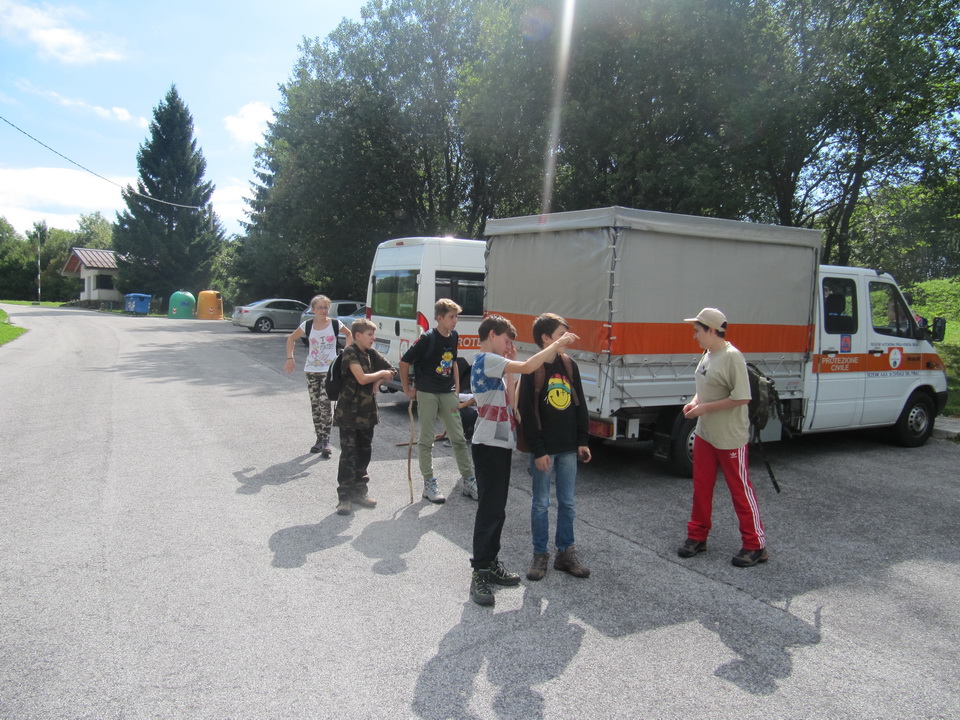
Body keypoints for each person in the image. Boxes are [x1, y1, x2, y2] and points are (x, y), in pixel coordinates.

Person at [468, 315, 578, 606]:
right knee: (489, 510)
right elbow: (530, 366)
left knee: (497, 510)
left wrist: (511, 368)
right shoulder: (485, 359)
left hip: (499, 445)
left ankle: (491, 563)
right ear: (492, 334)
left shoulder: (495, 364)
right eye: (506, 340)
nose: (508, 346)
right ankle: (480, 571)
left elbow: (512, 402)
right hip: (488, 446)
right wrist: (556, 345)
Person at [677, 308, 768, 567]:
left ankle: (755, 545)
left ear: (712, 330)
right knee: (701, 487)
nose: (694, 336)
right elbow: (704, 388)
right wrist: (695, 402)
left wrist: (704, 408)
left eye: (697, 331)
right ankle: (697, 536)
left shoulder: (732, 357)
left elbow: (742, 397)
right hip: (705, 433)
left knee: (740, 490)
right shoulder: (708, 354)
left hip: (729, 437)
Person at [518, 313, 592, 582]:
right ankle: (540, 554)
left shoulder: (570, 365)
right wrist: (538, 450)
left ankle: (565, 553)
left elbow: (580, 405)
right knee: (540, 504)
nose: (567, 338)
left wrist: (582, 441)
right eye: (561, 334)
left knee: (568, 503)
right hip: (545, 450)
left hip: (569, 447)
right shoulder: (533, 368)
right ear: (546, 338)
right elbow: (526, 413)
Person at [399, 299, 478, 503]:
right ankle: (429, 483)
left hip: (447, 392)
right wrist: (407, 389)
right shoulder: (427, 338)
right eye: (452, 317)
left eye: (456, 316)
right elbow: (404, 361)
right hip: (427, 392)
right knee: (426, 439)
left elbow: (454, 362)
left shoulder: (454, 336)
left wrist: (457, 389)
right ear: (440, 318)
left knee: (458, 438)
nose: (455, 320)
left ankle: (469, 481)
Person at [332, 318, 395, 516]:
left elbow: (391, 370)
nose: (373, 338)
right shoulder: (350, 352)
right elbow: (361, 378)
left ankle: (360, 491)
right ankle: (344, 497)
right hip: (349, 413)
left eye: (373, 335)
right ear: (358, 336)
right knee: (348, 454)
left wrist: (379, 380)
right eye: (370, 335)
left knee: (364, 451)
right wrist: (380, 374)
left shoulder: (371, 353)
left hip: (367, 413)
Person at [284, 295, 353, 457]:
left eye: (326, 307)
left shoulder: (335, 324)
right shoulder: (307, 325)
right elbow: (291, 338)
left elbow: (349, 335)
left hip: (328, 372)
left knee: (324, 404)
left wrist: (344, 353)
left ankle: (326, 440)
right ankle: (319, 439)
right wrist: (290, 358)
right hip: (311, 370)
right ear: (313, 309)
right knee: (315, 406)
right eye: (320, 308)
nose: (323, 311)